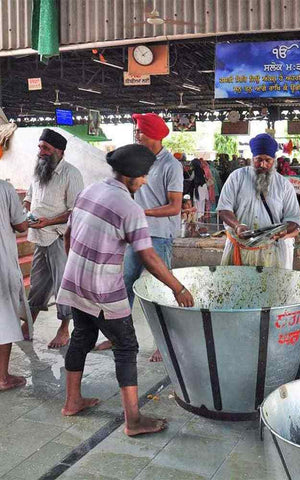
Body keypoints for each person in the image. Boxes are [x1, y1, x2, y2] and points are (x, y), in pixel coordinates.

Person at [56, 144, 194, 435]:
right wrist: (178, 288)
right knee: (127, 346)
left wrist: (79, 266)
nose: (144, 182)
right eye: (143, 177)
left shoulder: (89, 191)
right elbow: (149, 256)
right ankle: (133, 421)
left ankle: (72, 402)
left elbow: (68, 235)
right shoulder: (130, 209)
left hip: (74, 282)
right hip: (103, 290)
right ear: (131, 176)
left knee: (81, 336)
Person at [104, 113, 183, 362]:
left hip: (159, 235)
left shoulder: (171, 165)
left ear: (154, 136)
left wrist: (140, 211)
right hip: (133, 233)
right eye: (136, 131)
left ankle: (164, 342)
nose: (136, 136)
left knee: (161, 289)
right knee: (124, 284)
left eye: (140, 132)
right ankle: (118, 335)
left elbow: (174, 207)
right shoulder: (138, 160)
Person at [23, 129, 84, 348]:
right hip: (40, 237)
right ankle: (28, 325)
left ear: (59, 151)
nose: (41, 152)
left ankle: (64, 330)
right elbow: (29, 199)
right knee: (38, 286)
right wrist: (28, 213)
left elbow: (75, 210)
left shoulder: (71, 174)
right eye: (40, 147)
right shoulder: (39, 171)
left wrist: (48, 222)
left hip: (59, 238)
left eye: (46, 148)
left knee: (62, 287)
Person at [217, 133, 300, 268]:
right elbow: (224, 209)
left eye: (267, 160)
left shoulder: (284, 185)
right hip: (239, 249)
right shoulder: (237, 177)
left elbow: (293, 219)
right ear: (252, 158)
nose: (263, 164)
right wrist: (237, 226)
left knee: (270, 288)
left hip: (271, 251)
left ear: (274, 160)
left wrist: (283, 230)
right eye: (258, 159)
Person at [0, 180, 30, 391]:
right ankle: (2, 377)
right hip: (1, 265)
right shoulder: (4, 188)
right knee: (4, 319)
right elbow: (21, 225)